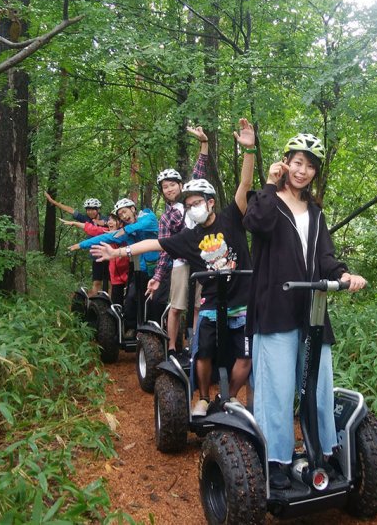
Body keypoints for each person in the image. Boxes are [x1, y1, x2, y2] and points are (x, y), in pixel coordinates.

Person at [91, 118, 256, 416]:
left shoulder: (232, 217)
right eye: (188, 203)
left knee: (245, 357)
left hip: (242, 302)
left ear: (210, 202)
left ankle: (228, 398)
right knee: (203, 353)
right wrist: (119, 252)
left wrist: (249, 150)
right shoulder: (189, 236)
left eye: (196, 202)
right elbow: (155, 244)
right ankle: (204, 398)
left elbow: (245, 184)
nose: (192, 207)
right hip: (211, 304)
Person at [242, 133, 366, 490]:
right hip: (276, 307)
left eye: (310, 165)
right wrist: (268, 182)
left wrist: (343, 274)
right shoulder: (268, 200)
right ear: (286, 163)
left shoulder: (316, 212)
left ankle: (324, 453)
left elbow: (325, 257)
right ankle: (276, 460)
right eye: (298, 162)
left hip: (312, 310)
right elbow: (255, 223)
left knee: (319, 385)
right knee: (277, 389)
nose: (303, 170)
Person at [147, 126, 209, 358]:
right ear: (162, 192)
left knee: (198, 306)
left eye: (173, 184)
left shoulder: (193, 203)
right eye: (165, 186)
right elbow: (165, 249)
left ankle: (195, 346)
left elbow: (199, 173)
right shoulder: (167, 217)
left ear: (180, 185)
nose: (170, 188)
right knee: (176, 306)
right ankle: (172, 347)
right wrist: (157, 277)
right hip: (181, 263)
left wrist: (203, 144)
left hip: (202, 260)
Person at [70, 197, 164, 335]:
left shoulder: (148, 217)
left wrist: (122, 231)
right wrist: (82, 244)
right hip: (141, 270)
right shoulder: (127, 231)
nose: (124, 216)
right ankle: (132, 328)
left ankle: (156, 329)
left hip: (159, 269)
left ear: (133, 209)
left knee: (155, 301)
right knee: (132, 298)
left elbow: (139, 226)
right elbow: (108, 238)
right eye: (120, 215)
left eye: (125, 212)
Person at [60, 213, 129, 305]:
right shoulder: (106, 232)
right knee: (116, 303)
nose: (110, 222)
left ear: (121, 224)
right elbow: (92, 229)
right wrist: (74, 223)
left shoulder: (128, 235)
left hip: (129, 274)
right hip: (116, 276)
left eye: (113, 220)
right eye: (109, 220)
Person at [47, 193, 108, 296]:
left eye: (93, 209)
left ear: (98, 210)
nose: (90, 212)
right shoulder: (86, 219)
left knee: (110, 283)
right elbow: (71, 210)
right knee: (97, 282)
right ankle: (91, 306)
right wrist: (54, 202)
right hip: (96, 255)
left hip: (109, 255)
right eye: (88, 209)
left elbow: (113, 225)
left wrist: (101, 222)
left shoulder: (106, 219)